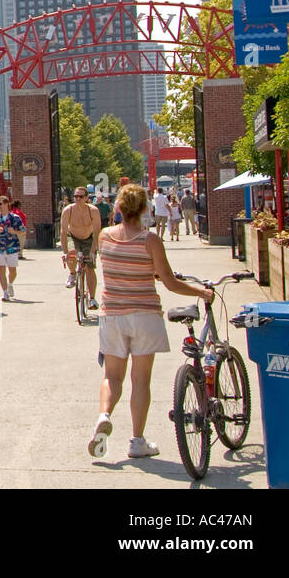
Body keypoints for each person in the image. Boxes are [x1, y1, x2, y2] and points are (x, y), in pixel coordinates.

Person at [88, 184, 214, 459]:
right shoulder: (150, 240)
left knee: (112, 376)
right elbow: (170, 282)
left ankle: (103, 415)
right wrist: (201, 292)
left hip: (113, 315)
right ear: (145, 209)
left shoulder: (105, 236)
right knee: (140, 379)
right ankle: (137, 440)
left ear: (119, 208)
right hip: (145, 315)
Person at [61, 186, 102, 310]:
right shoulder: (68, 210)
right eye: (75, 196)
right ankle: (72, 274)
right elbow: (63, 232)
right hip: (72, 236)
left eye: (81, 196)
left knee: (89, 267)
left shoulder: (93, 211)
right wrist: (64, 252)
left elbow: (97, 232)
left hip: (88, 238)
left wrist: (93, 251)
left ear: (86, 198)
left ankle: (92, 299)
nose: (78, 199)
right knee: (72, 252)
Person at [0, 195, 23, 301]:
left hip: (12, 247)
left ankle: (10, 284)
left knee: (13, 270)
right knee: (1, 270)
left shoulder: (15, 218)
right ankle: (5, 292)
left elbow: (23, 230)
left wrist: (15, 231)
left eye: (1, 204)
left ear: (7, 204)